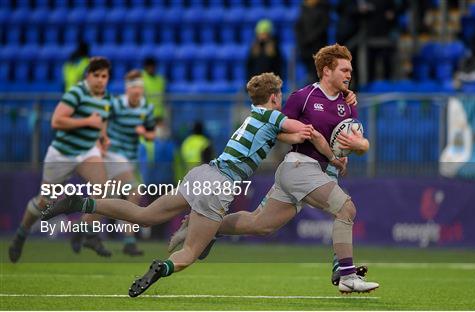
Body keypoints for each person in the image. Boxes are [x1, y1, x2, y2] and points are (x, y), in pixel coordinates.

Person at [42, 72, 343, 297]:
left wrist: (302, 133)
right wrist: (333, 151)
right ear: (275, 97)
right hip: (221, 184)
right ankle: (163, 267)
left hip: (202, 175)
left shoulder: (255, 117)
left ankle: (80, 203)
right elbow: (306, 131)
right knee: (189, 254)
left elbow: (291, 136)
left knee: (145, 215)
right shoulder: (274, 115)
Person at [169, 44, 379, 294]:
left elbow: (358, 142)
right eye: (344, 69)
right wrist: (322, 147)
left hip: (321, 173)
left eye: (350, 70)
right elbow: (277, 130)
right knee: (346, 208)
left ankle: (203, 225)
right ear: (326, 70)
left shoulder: (348, 103)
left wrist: (359, 146)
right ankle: (346, 273)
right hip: (300, 167)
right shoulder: (303, 97)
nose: (349, 74)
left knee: (261, 224)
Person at [8, 57, 114, 263]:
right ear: (87, 76)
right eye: (97, 76)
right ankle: (21, 233)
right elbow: (57, 121)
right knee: (44, 201)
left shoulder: (107, 98)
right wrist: (87, 121)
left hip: (87, 151)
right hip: (63, 153)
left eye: (105, 76)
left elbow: (101, 120)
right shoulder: (76, 93)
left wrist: (103, 138)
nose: (101, 80)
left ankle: (86, 232)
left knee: (104, 189)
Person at [104, 69, 156, 256]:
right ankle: (129, 240)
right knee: (135, 191)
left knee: (110, 198)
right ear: (128, 90)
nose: (138, 93)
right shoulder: (116, 105)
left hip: (130, 158)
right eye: (135, 90)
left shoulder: (146, 108)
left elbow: (152, 134)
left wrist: (144, 133)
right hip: (113, 154)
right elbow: (101, 123)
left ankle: (85, 229)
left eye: (140, 89)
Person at [295, 0, 330, 83]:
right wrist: (303, 41)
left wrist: (310, 38)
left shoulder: (323, 9)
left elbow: (323, 27)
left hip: (318, 46)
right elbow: (298, 28)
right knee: (311, 72)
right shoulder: (303, 10)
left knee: (317, 71)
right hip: (305, 47)